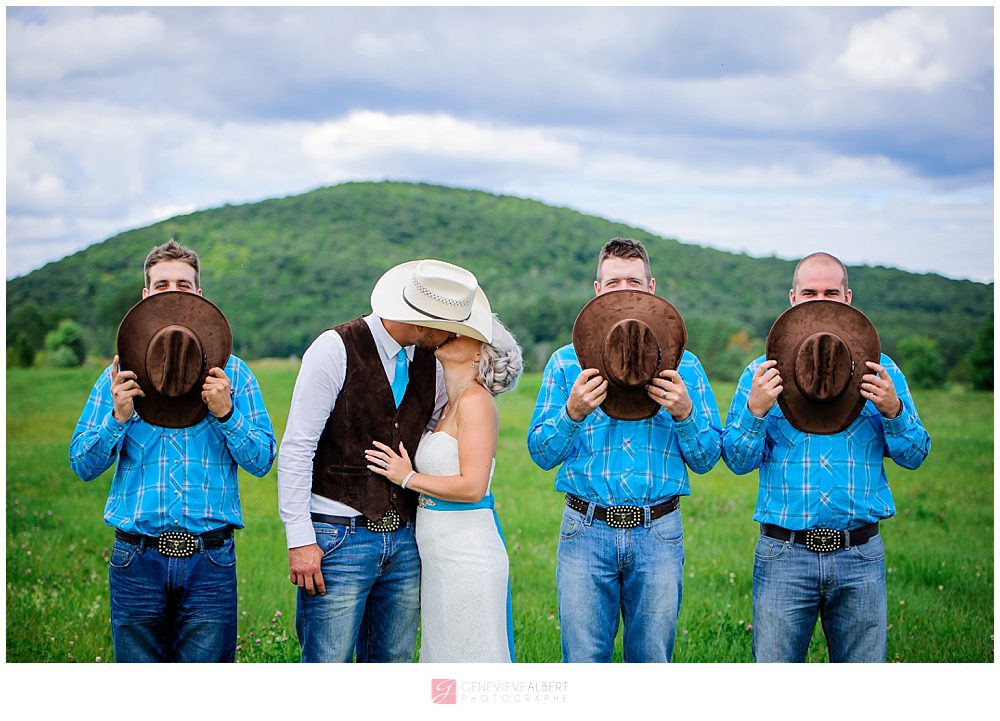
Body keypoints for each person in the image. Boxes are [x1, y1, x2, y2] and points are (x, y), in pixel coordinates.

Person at [69, 239, 277, 663]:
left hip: (211, 561)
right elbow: (82, 464)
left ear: (198, 294)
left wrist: (227, 413)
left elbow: (262, 460)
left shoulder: (234, 373)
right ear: (146, 295)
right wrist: (117, 417)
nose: (173, 290)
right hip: (136, 559)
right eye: (162, 284)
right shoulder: (117, 377)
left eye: (183, 283)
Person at [278, 258, 492, 663]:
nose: (453, 334)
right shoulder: (334, 348)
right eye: (449, 324)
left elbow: (437, 436)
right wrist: (300, 538)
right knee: (328, 665)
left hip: (406, 543)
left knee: (392, 666)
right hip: (337, 538)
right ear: (423, 322)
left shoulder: (433, 360)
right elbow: (297, 447)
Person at [721, 251, 931, 662]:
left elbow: (915, 455)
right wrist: (755, 410)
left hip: (860, 555)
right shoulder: (760, 373)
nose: (820, 300)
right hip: (784, 555)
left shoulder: (881, 369)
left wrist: (894, 410)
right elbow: (737, 460)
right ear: (793, 298)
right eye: (810, 292)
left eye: (830, 292)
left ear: (848, 297)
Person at [527, 237, 723, 663]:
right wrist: (572, 412)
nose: (623, 289)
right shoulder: (566, 362)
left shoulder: (685, 366)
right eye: (613, 282)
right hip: (585, 528)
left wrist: (686, 412)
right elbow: (540, 453)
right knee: (582, 660)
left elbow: (708, 458)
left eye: (632, 281)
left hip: (658, 530)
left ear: (650, 288)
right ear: (598, 290)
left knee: (651, 662)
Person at [365, 316, 523, 662]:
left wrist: (407, 477)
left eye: (465, 333)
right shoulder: (451, 403)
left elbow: (473, 486)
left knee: (471, 660)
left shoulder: (476, 403)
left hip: (468, 556)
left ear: (480, 354)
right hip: (439, 557)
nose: (452, 334)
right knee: (443, 659)